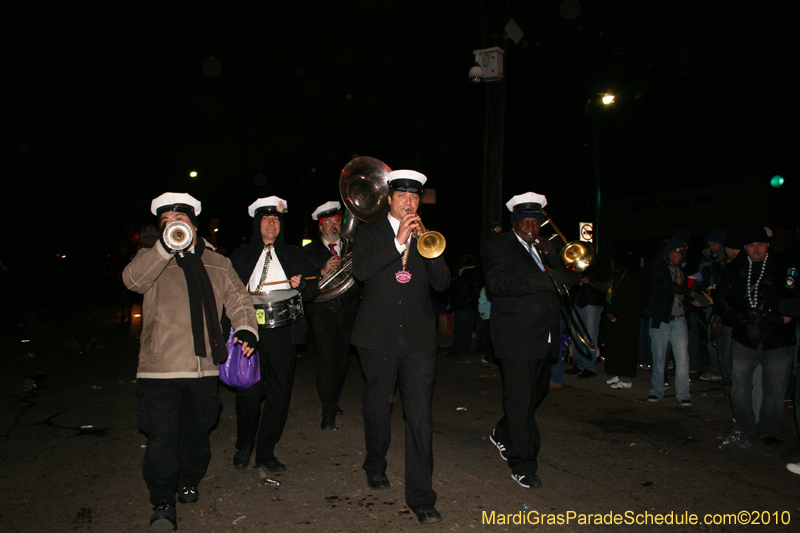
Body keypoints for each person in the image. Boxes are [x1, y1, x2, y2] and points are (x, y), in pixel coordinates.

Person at [123, 192, 258, 531]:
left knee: (197, 435)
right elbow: (132, 281)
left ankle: (189, 480)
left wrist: (246, 329)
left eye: (180, 221)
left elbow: (239, 299)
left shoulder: (217, 262)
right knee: (161, 438)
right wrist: (162, 250)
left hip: (204, 368)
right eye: (167, 223)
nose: (174, 227)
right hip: (160, 368)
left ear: (194, 227)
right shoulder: (150, 258)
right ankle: (162, 502)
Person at [350, 169, 450, 524]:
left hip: (419, 339)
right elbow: (361, 271)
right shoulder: (369, 231)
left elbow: (442, 283)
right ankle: (375, 463)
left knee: (420, 415)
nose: (409, 202)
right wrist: (397, 243)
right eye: (403, 196)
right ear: (389, 199)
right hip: (377, 336)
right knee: (379, 404)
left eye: (415, 197)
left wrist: (429, 248)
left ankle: (421, 495)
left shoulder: (427, 237)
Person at [480, 192, 577, 490]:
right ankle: (523, 464)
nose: (531, 227)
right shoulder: (498, 246)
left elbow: (572, 278)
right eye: (525, 221)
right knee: (521, 401)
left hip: (544, 336)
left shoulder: (549, 248)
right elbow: (497, 284)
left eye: (536, 221)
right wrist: (542, 278)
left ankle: (503, 430)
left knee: (537, 394)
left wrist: (558, 261)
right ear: (515, 222)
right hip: (514, 337)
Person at [228, 196, 319, 474]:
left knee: (279, 395)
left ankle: (266, 451)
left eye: (276, 219)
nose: (271, 223)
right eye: (266, 219)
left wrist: (302, 284)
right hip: (250, 332)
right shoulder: (241, 255)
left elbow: (314, 290)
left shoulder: (294, 254)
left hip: (283, 334)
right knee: (249, 393)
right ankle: (244, 445)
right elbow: (226, 294)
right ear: (258, 224)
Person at [715, 226, 796, 447]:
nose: (756, 249)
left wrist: (788, 311)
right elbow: (722, 299)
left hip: (778, 338)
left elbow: (794, 293)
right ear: (745, 248)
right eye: (751, 246)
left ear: (767, 244)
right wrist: (740, 318)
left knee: (775, 388)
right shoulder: (736, 268)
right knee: (739, 385)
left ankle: (769, 430)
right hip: (745, 337)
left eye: (760, 244)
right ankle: (745, 426)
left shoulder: (784, 265)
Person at [303, 201, 360, 430]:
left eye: (337, 221)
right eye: (329, 223)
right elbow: (302, 281)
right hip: (322, 311)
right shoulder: (308, 252)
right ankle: (328, 410)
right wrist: (321, 271)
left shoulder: (353, 247)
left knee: (342, 360)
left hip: (349, 309)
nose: (334, 226)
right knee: (327, 360)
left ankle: (333, 400)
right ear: (321, 227)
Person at [642, 239, 709, 406]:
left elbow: (683, 291)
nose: (680, 255)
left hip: (678, 319)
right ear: (668, 252)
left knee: (682, 358)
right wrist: (692, 294)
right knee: (659, 357)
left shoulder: (681, 271)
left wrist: (695, 299)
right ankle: (656, 391)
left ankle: (683, 393)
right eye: (677, 252)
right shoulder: (658, 268)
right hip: (661, 319)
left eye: (682, 253)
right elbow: (667, 286)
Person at [603, 251, 643, 389]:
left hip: (626, 319)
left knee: (626, 348)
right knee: (615, 347)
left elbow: (628, 299)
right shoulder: (619, 275)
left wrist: (616, 312)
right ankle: (617, 373)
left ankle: (626, 379)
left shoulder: (631, 276)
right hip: (616, 317)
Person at [446, 254, 482, 361]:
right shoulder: (464, 273)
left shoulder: (473, 273)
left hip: (467, 306)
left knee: (465, 330)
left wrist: (469, 299)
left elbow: (472, 290)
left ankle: (462, 351)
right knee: (460, 329)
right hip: (461, 305)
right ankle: (456, 350)